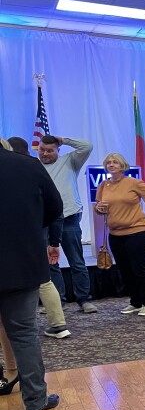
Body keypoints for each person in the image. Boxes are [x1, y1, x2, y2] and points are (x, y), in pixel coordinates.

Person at [0, 138, 63, 410]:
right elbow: (55, 207)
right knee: (24, 334)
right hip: (21, 262)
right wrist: (28, 224)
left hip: (20, 262)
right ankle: (36, 401)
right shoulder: (27, 165)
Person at [6, 137, 70, 338]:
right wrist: (52, 240)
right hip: (34, 235)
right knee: (44, 279)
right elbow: (56, 208)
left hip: (11, 237)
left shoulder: (10, 169)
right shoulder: (34, 167)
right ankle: (59, 324)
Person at [94, 153, 145, 316]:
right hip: (115, 234)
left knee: (138, 268)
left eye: (115, 162)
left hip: (137, 232)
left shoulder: (133, 183)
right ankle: (135, 302)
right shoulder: (103, 185)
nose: (111, 164)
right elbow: (98, 206)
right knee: (124, 269)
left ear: (122, 165)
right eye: (108, 162)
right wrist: (99, 208)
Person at [38, 134, 97, 313]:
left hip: (69, 217)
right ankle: (57, 302)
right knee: (51, 264)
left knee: (76, 261)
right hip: (45, 220)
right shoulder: (33, 166)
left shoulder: (70, 161)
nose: (45, 154)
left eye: (50, 150)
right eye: (42, 150)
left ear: (58, 150)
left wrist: (63, 140)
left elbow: (87, 146)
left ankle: (84, 300)